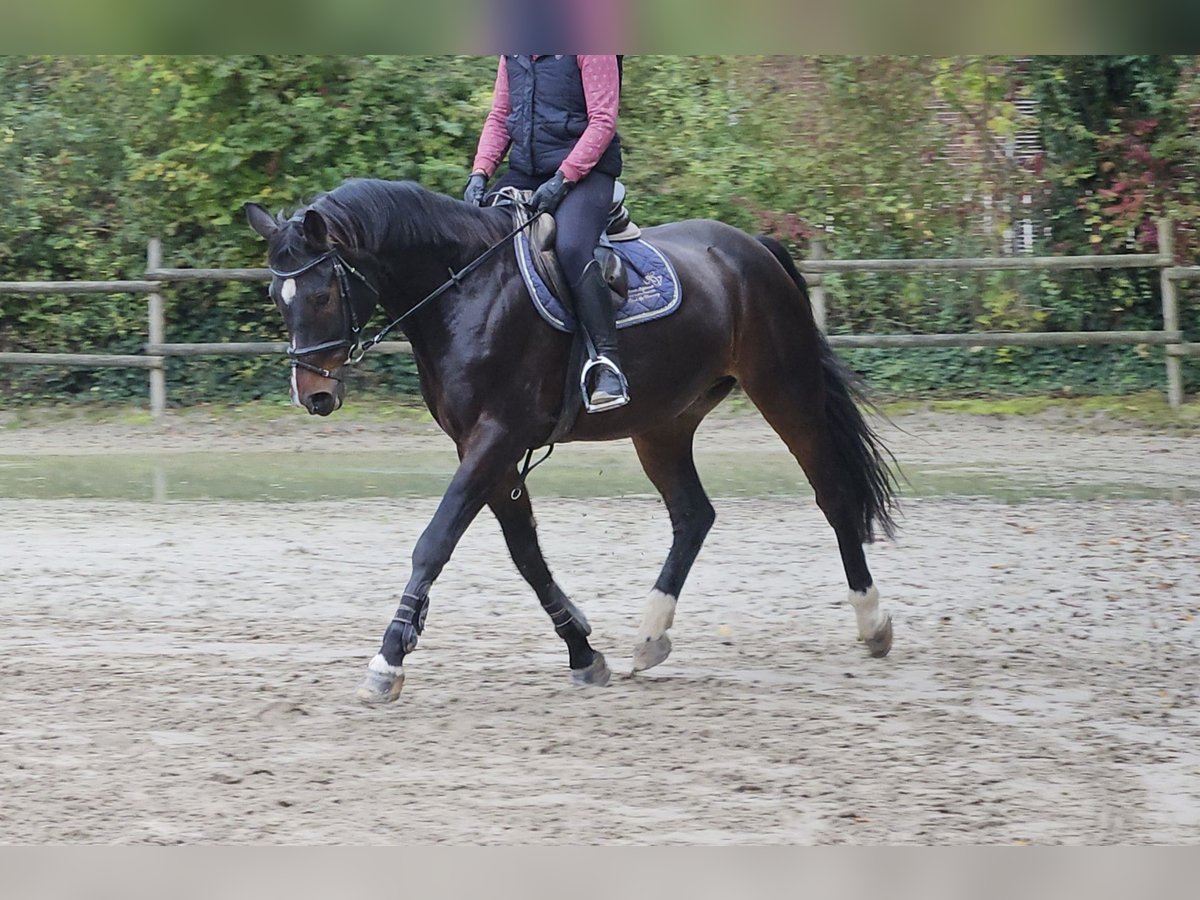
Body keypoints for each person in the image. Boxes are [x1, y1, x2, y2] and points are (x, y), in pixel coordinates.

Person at [464, 54, 629, 412]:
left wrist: (564, 178)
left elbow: (603, 121)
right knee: (478, 244)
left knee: (570, 248)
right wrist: (480, 171)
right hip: (527, 171)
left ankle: (607, 364)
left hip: (587, 173)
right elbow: (500, 116)